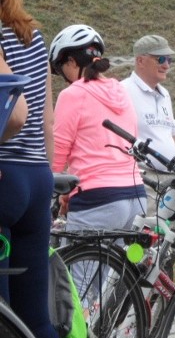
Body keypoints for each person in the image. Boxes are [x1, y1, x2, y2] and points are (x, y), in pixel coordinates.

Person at [0, 0, 64, 338]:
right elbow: (46, 118)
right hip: (37, 178)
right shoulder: (32, 35)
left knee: (3, 318)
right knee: (34, 316)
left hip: (5, 177)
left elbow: (16, 113)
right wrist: (49, 172)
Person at [50, 24, 147, 233]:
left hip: (97, 199)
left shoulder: (73, 94)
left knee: (77, 265)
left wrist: (52, 188)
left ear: (71, 61)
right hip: (136, 195)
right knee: (119, 266)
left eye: (59, 69)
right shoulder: (121, 91)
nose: (62, 76)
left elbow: (57, 154)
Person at [122, 34, 175, 168]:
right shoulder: (122, 91)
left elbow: (173, 134)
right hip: (141, 178)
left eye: (169, 60)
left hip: (168, 178)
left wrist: (174, 157)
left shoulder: (165, 94)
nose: (166, 66)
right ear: (140, 61)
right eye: (160, 59)